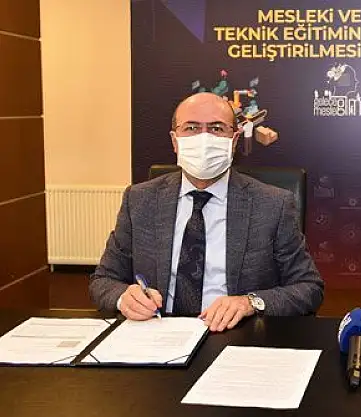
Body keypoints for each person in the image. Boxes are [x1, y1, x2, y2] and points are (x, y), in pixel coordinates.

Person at [90, 92, 324, 331]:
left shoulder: (273, 204)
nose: (204, 138)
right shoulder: (140, 200)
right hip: (157, 333)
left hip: (234, 335)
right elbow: (103, 280)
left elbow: (308, 288)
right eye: (191, 128)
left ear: (234, 140)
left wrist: (250, 303)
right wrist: (124, 296)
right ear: (174, 141)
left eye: (216, 128)